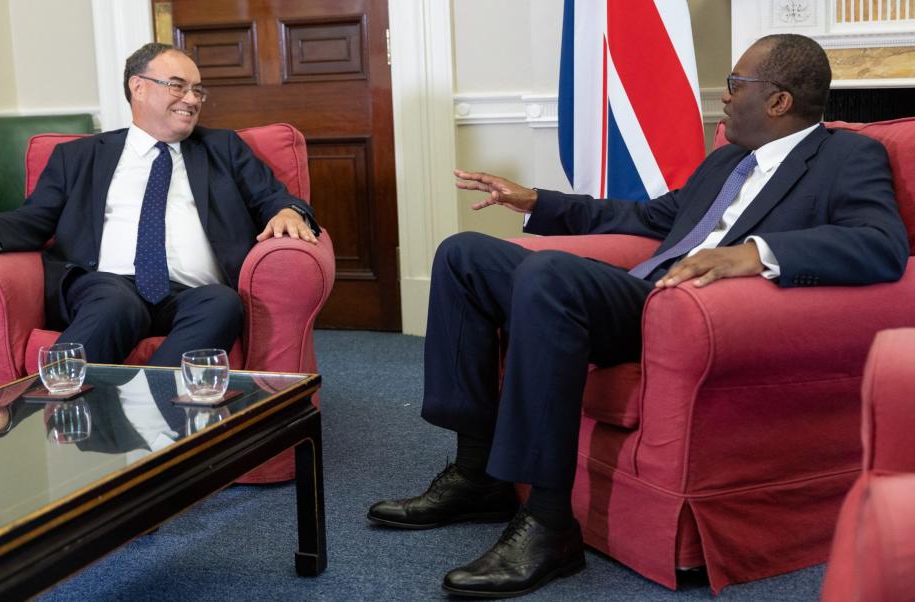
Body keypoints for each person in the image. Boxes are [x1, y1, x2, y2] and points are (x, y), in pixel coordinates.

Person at [367, 34, 909, 598]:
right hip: (639, 296)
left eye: (734, 84)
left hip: (689, 314)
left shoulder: (848, 155)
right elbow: (648, 217)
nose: (723, 98)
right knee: (464, 255)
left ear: (778, 100)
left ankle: (550, 525)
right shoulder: (725, 160)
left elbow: (881, 243)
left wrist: (754, 254)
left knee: (548, 275)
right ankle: (477, 474)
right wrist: (537, 201)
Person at [0, 43, 320, 367]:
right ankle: (52, 410)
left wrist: (288, 211)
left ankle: (149, 417)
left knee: (223, 304)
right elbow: (35, 217)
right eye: (178, 86)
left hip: (193, 292)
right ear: (138, 87)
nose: (192, 99)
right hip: (105, 285)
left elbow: (272, 196)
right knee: (117, 304)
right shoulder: (78, 157)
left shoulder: (223, 148)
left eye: (197, 90)